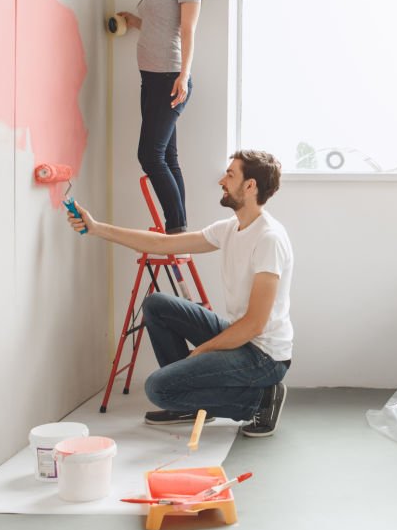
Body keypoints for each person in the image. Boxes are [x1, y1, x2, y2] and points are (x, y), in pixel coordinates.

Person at [67, 150, 292, 437]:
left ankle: (260, 401)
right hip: (242, 337)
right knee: (157, 304)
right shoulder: (231, 228)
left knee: (157, 388)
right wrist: (97, 228)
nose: (222, 180)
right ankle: (189, 400)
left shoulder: (268, 238)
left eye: (231, 174)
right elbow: (162, 244)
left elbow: (255, 325)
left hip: (264, 356)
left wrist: (202, 351)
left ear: (250, 186)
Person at [117, 0, 202, 234]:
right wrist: (135, 22)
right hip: (152, 78)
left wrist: (184, 74)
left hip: (170, 78)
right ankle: (178, 226)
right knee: (167, 154)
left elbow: (188, 30)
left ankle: (176, 229)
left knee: (150, 155)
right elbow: (161, 25)